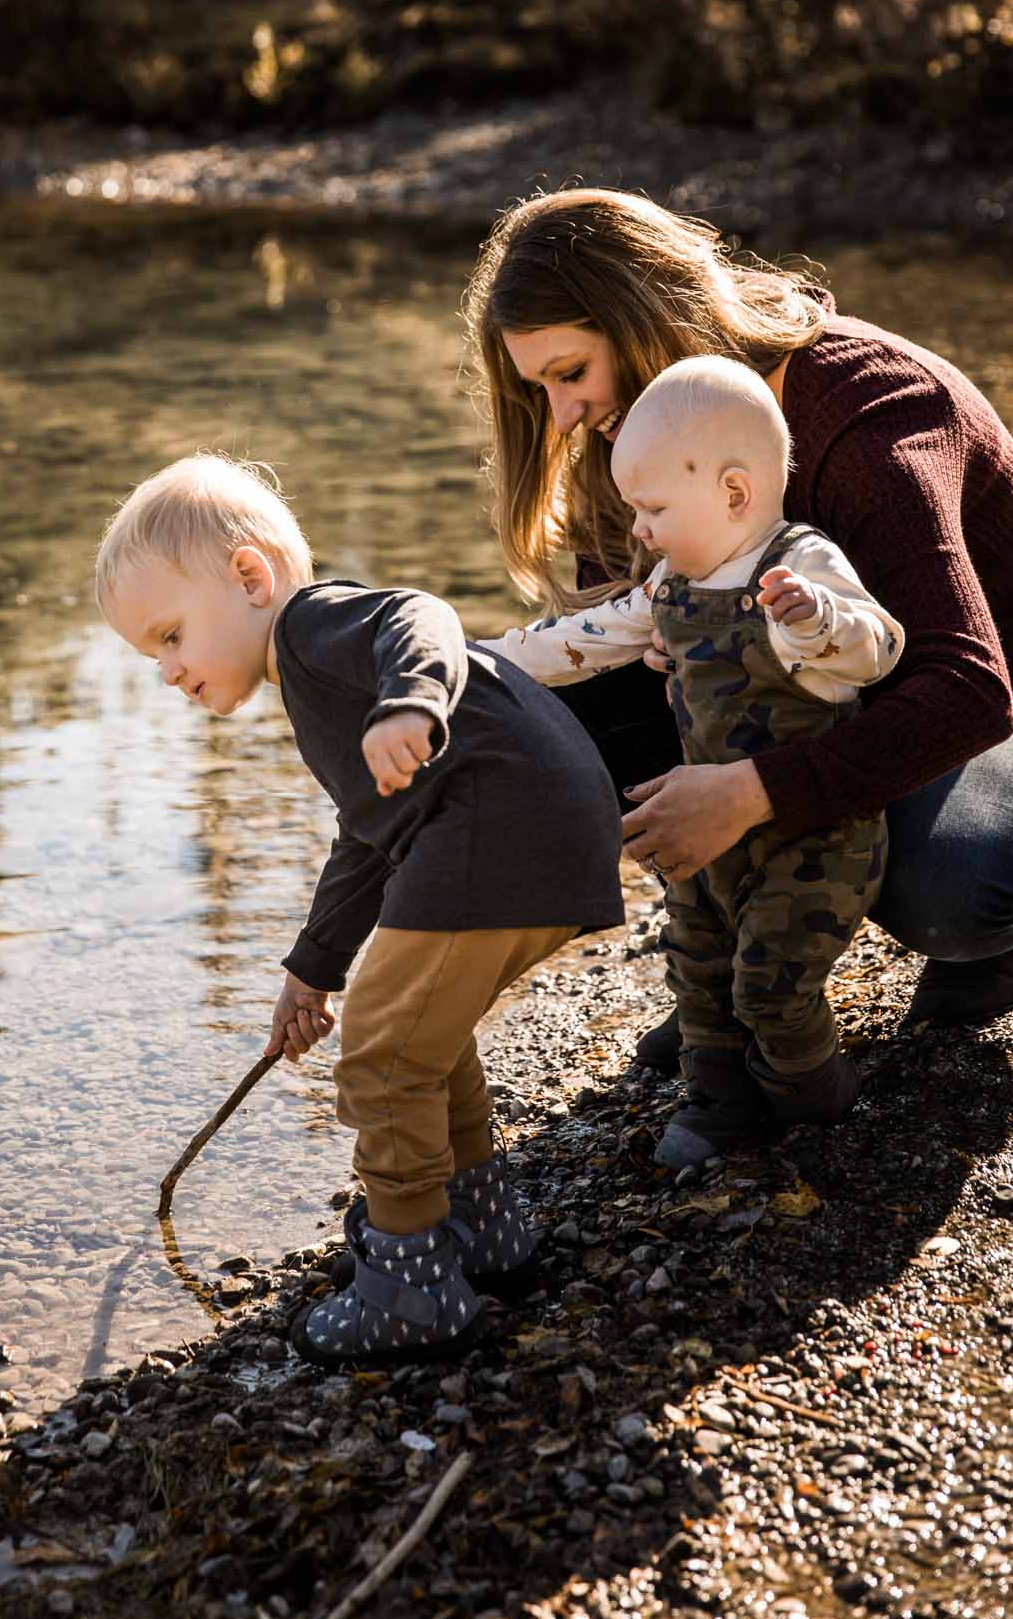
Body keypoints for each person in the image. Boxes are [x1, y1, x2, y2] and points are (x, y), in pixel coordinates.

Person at [466, 188, 1013, 1073]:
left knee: (952, 887)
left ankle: (995, 927)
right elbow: (613, 632)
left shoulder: (875, 409)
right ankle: (731, 973)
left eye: (569, 372)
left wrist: (755, 793)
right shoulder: (641, 430)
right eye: (538, 387)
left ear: (644, 325)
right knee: (548, 727)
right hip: (828, 691)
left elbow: (967, 689)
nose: (560, 416)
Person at [96, 452, 624, 1367]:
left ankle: (411, 1282)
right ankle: (481, 1227)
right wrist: (310, 968)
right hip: (539, 823)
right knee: (424, 1033)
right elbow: (366, 841)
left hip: (497, 828)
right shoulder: (315, 685)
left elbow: (421, 614)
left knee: (381, 1055)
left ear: (250, 577)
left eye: (172, 635)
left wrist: (410, 700)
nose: (170, 672)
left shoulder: (309, 627)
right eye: (154, 656)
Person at [481, 355, 904, 1164]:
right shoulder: (673, 583)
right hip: (709, 835)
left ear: (734, 494)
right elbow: (577, 641)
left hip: (811, 832)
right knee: (697, 967)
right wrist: (477, 662)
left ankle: (811, 1093)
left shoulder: (799, 566)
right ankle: (716, 1103)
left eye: (652, 507)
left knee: (771, 979)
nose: (637, 529)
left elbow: (875, 649)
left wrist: (812, 623)